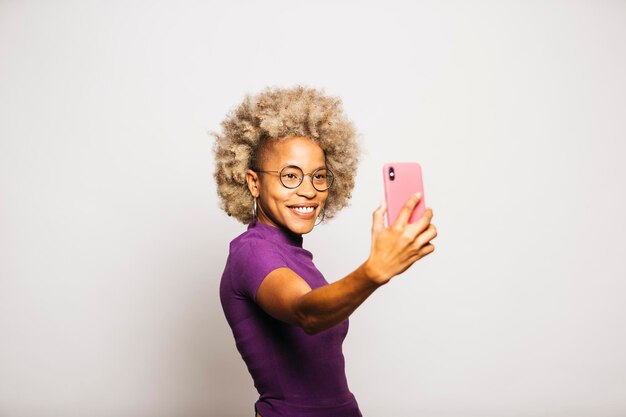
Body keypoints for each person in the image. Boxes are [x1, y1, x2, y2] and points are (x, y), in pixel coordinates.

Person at [213, 86, 437, 417]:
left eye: (318, 176)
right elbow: (307, 313)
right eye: (290, 175)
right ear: (253, 182)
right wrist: (374, 272)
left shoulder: (297, 258)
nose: (308, 190)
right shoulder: (251, 253)